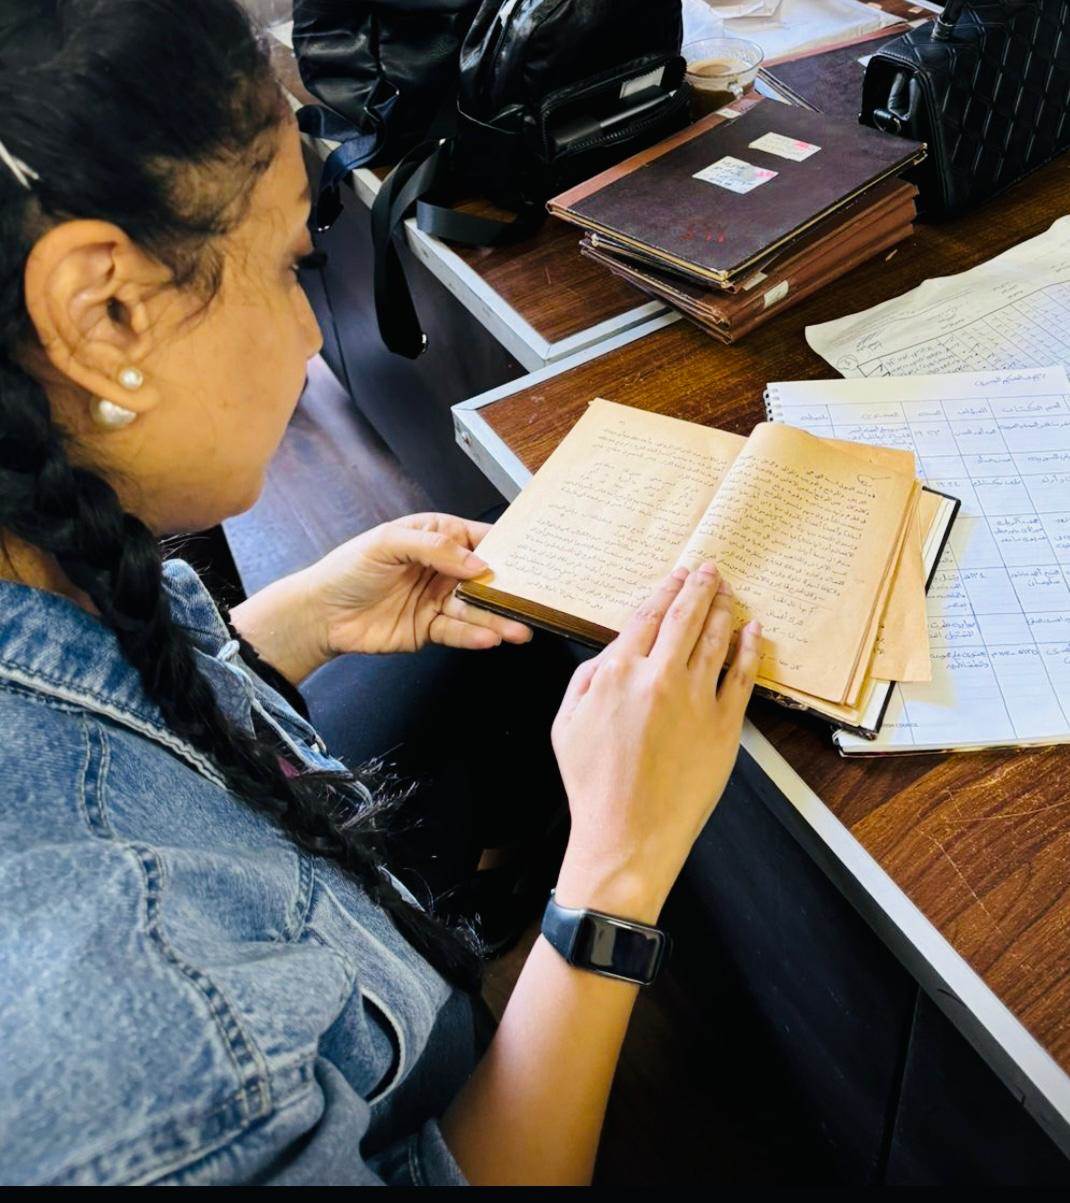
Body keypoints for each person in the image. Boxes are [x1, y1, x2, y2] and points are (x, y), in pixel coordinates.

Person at [0, 0, 761, 1186]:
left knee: (503, 648)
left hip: (361, 927)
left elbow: (105, 726)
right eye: (285, 265)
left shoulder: (43, 549)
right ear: (103, 313)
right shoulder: (126, 1037)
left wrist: (288, 626)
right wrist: (616, 870)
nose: (312, 335)